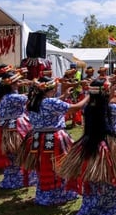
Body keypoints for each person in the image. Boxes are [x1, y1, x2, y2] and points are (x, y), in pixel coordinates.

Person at [58, 80, 116, 215]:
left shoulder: (88, 108)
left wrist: (109, 95)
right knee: (109, 176)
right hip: (107, 147)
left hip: (88, 145)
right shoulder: (111, 108)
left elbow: (99, 104)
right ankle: (109, 208)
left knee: (92, 177)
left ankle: (92, 207)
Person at [18, 76, 88, 206]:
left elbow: (51, 104)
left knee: (43, 167)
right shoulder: (50, 102)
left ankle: (44, 195)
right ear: (50, 89)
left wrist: (63, 96)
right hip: (53, 138)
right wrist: (88, 96)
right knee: (57, 166)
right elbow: (75, 107)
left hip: (37, 138)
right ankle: (58, 195)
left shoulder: (33, 101)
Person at [0, 70, 34, 189]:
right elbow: (33, 99)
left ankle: (14, 179)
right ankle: (17, 180)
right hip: (13, 130)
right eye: (17, 82)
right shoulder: (13, 97)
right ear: (11, 84)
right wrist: (35, 86)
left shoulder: (5, 96)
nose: (19, 83)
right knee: (16, 154)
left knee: (12, 155)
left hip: (5, 128)